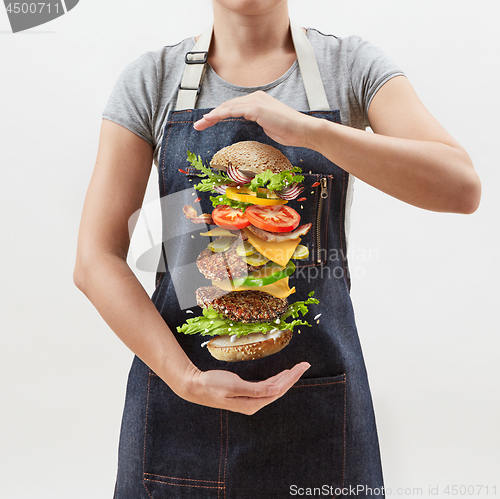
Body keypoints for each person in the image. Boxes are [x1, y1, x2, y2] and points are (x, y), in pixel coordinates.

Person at [74, 1, 481, 498]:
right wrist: (185, 379)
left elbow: (461, 188)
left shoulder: (349, 66)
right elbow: (96, 259)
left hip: (319, 410)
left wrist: (312, 130)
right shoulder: (153, 78)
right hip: (180, 409)